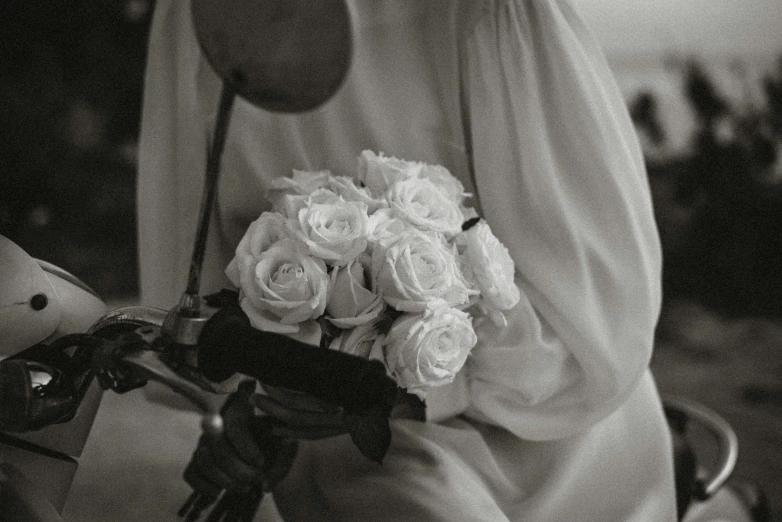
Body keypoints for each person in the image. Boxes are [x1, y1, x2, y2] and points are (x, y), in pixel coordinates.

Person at [137, 0, 677, 520]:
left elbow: (599, 314)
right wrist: (253, 404)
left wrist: (411, 378)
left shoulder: (484, 9)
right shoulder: (191, 17)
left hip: (558, 439)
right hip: (349, 460)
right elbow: (205, 289)